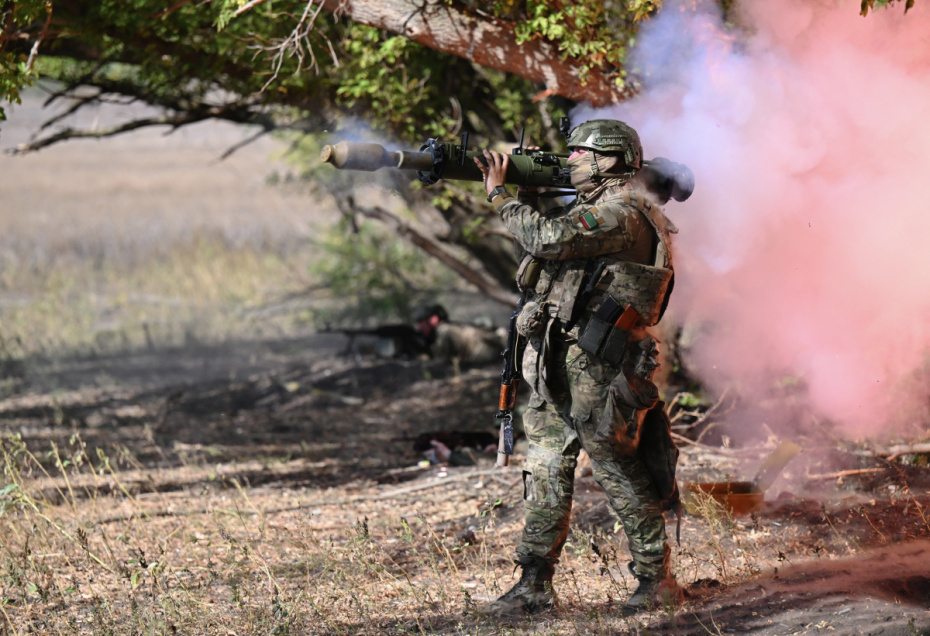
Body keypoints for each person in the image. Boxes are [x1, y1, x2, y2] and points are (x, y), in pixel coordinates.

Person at [474, 119, 683, 615]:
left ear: (609, 159)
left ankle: (657, 580)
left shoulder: (623, 214)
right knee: (544, 465)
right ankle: (533, 583)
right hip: (559, 363)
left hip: (602, 368)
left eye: (579, 153)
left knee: (615, 466)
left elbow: (548, 238)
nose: (569, 161)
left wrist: (502, 197)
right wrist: (523, 194)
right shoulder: (596, 209)